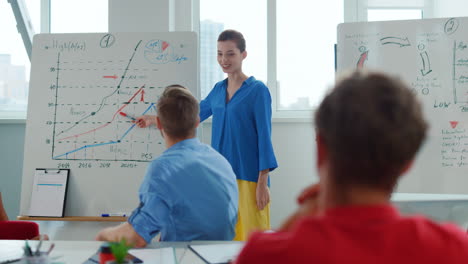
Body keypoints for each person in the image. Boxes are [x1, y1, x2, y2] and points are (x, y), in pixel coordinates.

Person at [234, 71, 468, 263]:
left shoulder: (263, 254)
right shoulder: (454, 250)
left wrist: (300, 217)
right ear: (407, 164)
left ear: (320, 151)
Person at [135, 30, 278, 241]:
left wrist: (262, 182)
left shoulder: (257, 91)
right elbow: (192, 116)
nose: (224, 60)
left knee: (250, 240)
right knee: (224, 240)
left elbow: (265, 136)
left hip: (249, 177)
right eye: (219, 54)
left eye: (230, 54)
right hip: (220, 177)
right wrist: (153, 119)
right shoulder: (218, 90)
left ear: (243, 54)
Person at [96, 85, 238, 247]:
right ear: (197, 121)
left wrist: (103, 234)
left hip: (184, 257)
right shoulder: (220, 161)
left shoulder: (164, 169)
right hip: (221, 256)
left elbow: (137, 238)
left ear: (158, 123)